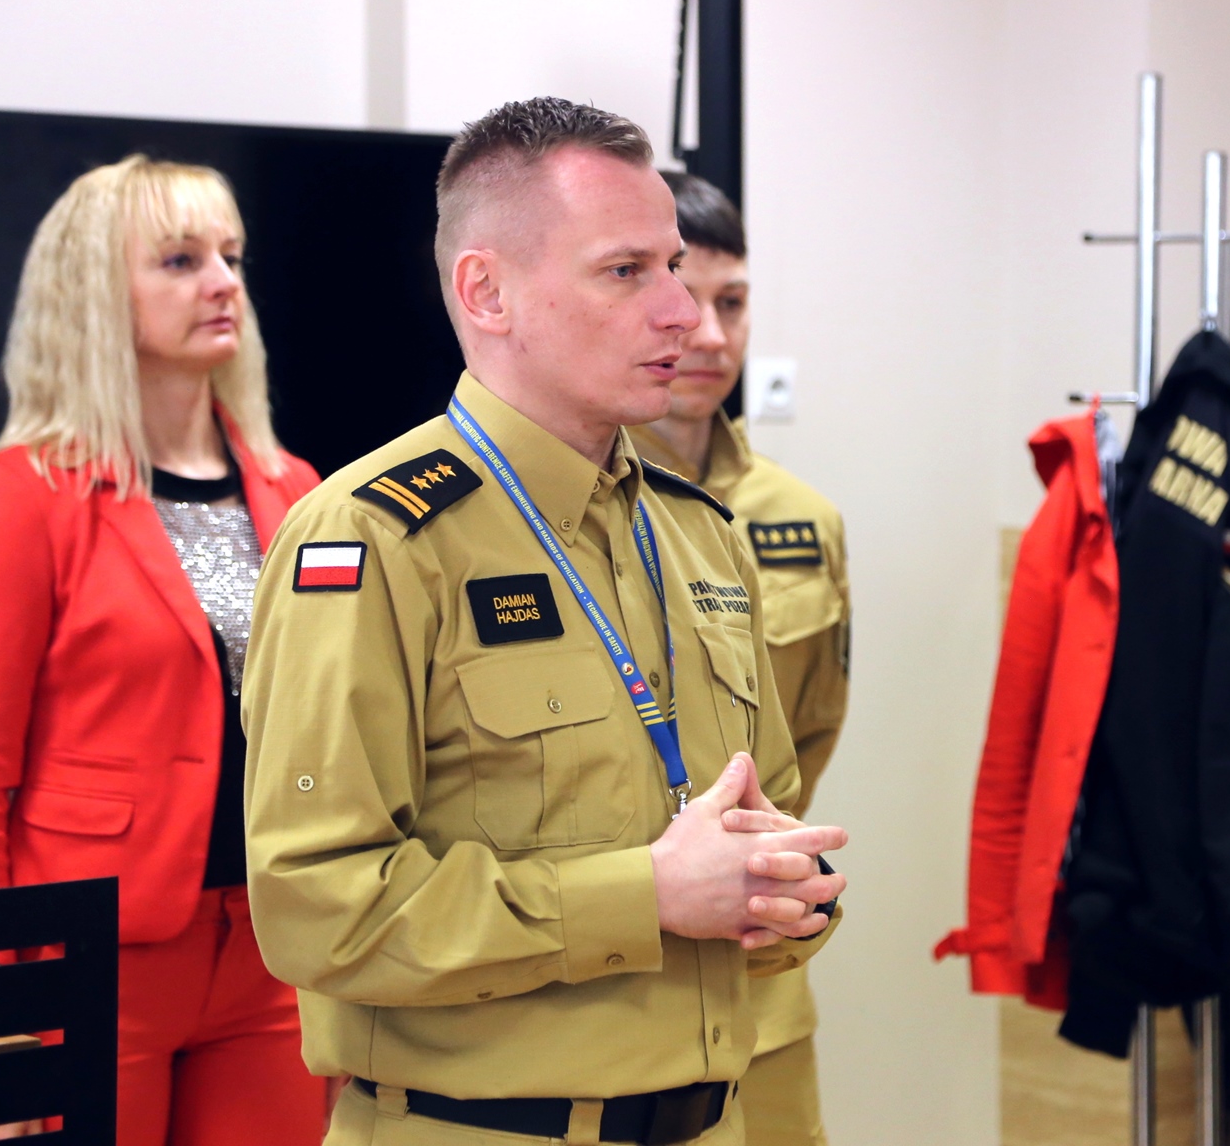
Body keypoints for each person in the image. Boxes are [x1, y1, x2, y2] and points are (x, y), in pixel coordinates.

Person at [242, 97, 849, 1146]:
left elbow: (771, 821)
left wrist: (787, 891)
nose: (683, 314)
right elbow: (317, 908)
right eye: (627, 271)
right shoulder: (375, 539)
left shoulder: (699, 535)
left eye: (673, 267)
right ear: (488, 292)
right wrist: (644, 895)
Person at [0, 155, 326, 1146]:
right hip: (89, 955)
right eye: (181, 260)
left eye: (231, 256)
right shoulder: (25, 495)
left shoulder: (298, 489)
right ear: (94, 294)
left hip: (276, 950)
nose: (222, 283)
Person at [629, 173, 850, 1146]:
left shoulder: (802, 519)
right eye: (689, 298)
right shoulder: (561, 506)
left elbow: (813, 726)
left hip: (761, 979)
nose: (712, 336)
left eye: (736, 302)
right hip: (613, 977)